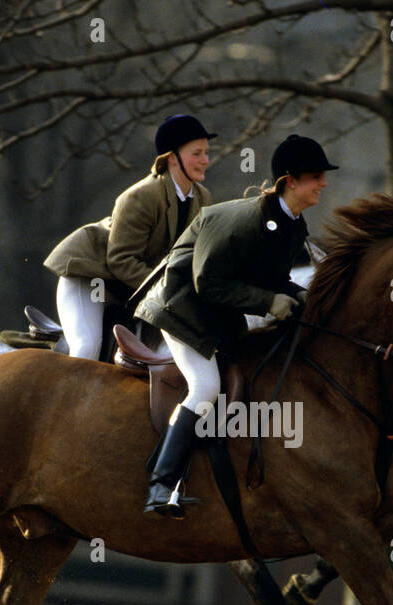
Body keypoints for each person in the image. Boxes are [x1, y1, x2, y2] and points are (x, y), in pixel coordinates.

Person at [135, 134, 339, 518]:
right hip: (180, 310)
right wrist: (268, 302)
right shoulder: (240, 221)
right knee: (206, 386)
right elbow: (206, 283)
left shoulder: (292, 224)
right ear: (290, 181)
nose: (323, 184)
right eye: (316, 176)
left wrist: (302, 298)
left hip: (217, 315)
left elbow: (273, 278)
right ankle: (161, 486)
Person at [43, 115, 216, 359]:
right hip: (91, 277)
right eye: (197, 154)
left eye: (206, 153)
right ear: (171, 158)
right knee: (87, 348)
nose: (205, 160)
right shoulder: (140, 196)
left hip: (130, 288)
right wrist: (169, 291)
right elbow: (121, 260)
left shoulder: (202, 197)